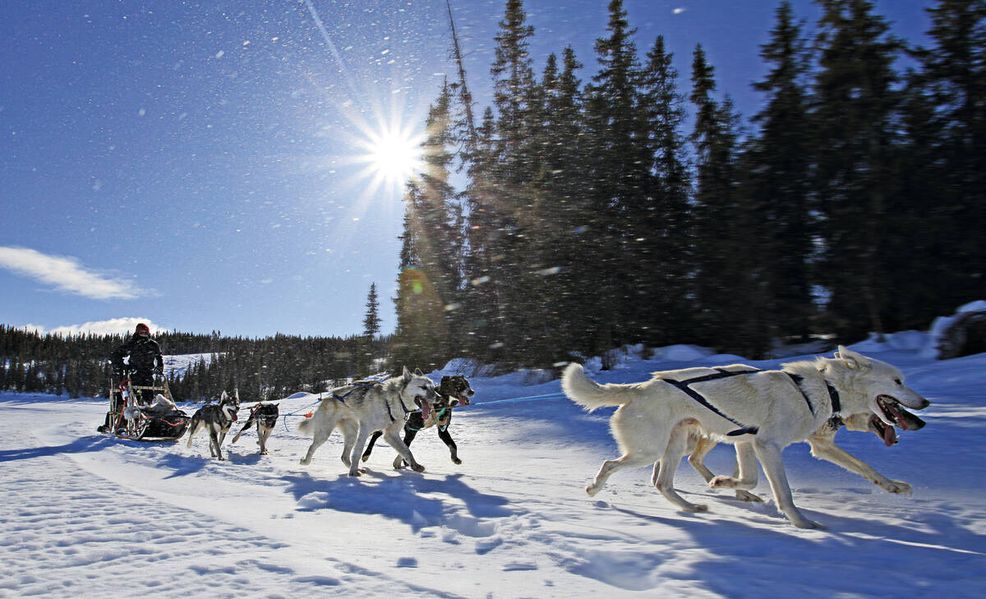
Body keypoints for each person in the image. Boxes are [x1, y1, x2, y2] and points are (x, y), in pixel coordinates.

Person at [111, 323, 164, 404]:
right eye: (141, 332)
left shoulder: (153, 345)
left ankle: (148, 410)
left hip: (148, 374)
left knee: (149, 397)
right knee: (133, 395)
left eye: (145, 332)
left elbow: (159, 356)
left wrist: (160, 366)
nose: (143, 334)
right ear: (137, 332)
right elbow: (117, 353)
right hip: (134, 373)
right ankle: (132, 409)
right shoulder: (132, 344)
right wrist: (121, 365)